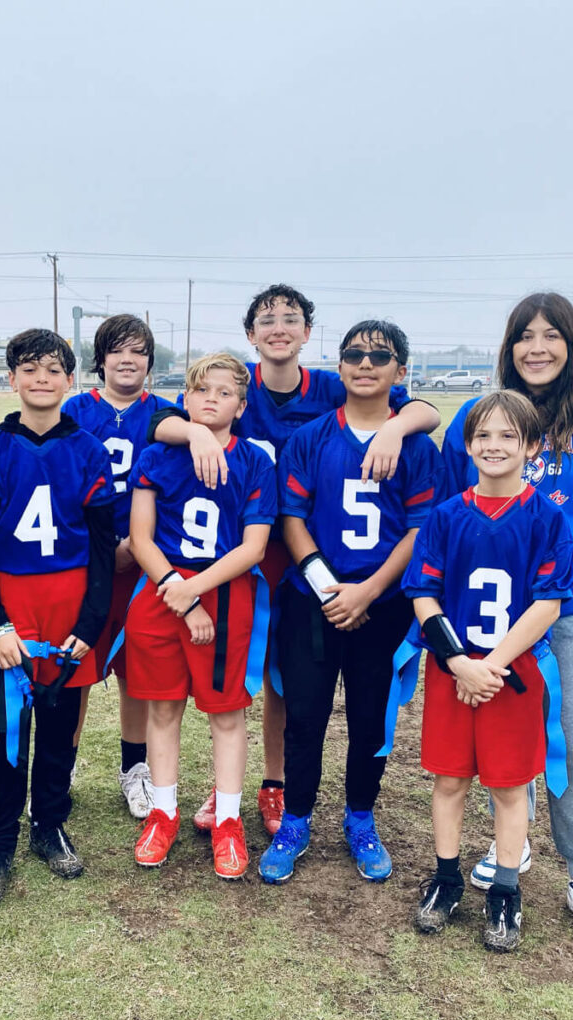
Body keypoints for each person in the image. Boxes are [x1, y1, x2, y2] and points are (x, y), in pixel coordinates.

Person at [148, 284, 440, 835]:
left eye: (291, 318)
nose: (278, 327)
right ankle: (224, 785)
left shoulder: (335, 385)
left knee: (285, 678)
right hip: (241, 550)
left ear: (309, 333)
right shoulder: (233, 383)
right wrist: (195, 433)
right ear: (250, 333)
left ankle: (274, 784)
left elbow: (424, 410)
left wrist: (398, 425)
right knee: (234, 670)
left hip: (306, 551)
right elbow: (158, 421)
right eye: (266, 319)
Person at [441, 292, 573, 948]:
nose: (537, 347)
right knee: (503, 737)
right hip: (487, 615)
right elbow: (450, 508)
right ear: (508, 347)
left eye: (550, 335)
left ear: (571, 344)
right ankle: (514, 846)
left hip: (568, 611)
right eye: (524, 336)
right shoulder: (477, 418)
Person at [262, 321, 441, 885]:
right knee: (304, 718)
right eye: (354, 355)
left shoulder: (414, 445)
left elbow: (419, 529)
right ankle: (295, 820)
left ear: (400, 371)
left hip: (382, 602)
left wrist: (368, 590)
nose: (366, 364)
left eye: (380, 356)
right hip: (313, 600)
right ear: (339, 368)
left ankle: (360, 817)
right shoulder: (311, 437)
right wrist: (327, 587)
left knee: (370, 721)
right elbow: (291, 518)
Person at [407, 390, 573, 951]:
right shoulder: (446, 515)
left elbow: (548, 602)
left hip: (512, 675)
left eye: (508, 436)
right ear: (468, 444)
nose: (494, 445)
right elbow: (424, 594)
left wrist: (490, 666)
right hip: (454, 669)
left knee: (508, 784)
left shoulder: (547, 517)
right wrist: (458, 661)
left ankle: (506, 890)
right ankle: (447, 877)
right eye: (484, 436)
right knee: (450, 778)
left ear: (532, 446)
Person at [0, 329, 114, 907]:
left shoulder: (89, 451)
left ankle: (48, 822)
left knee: (59, 723)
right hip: (13, 603)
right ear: (12, 379)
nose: (42, 378)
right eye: (29, 368)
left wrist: (90, 623)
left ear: (70, 380)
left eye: (53, 369)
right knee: (7, 725)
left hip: (72, 604)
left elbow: (104, 547)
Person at [127, 354, 276, 879]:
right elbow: (141, 538)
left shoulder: (255, 462)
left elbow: (254, 547)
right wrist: (179, 592)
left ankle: (229, 820)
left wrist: (196, 591)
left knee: (226, 713)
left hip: (223, 592)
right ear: (184, 401)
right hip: (163, 590)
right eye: (200, 390)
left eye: (224, 392)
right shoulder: (156, 454)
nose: (211, 399)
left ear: (241, 404)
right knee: (163, 710)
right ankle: (163, 812)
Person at [63, 314, 176, 818]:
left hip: (145, 560)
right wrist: (105, 547)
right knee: (76, 667)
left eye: (138, 350)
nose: (128, 359)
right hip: (88, 561)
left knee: (137, 672)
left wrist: (137, 545)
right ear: (101, 359)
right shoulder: (74, 409)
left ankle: (136, 770)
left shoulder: (169, 415)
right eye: (117, 350)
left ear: (150, 361)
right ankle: (59, 767)